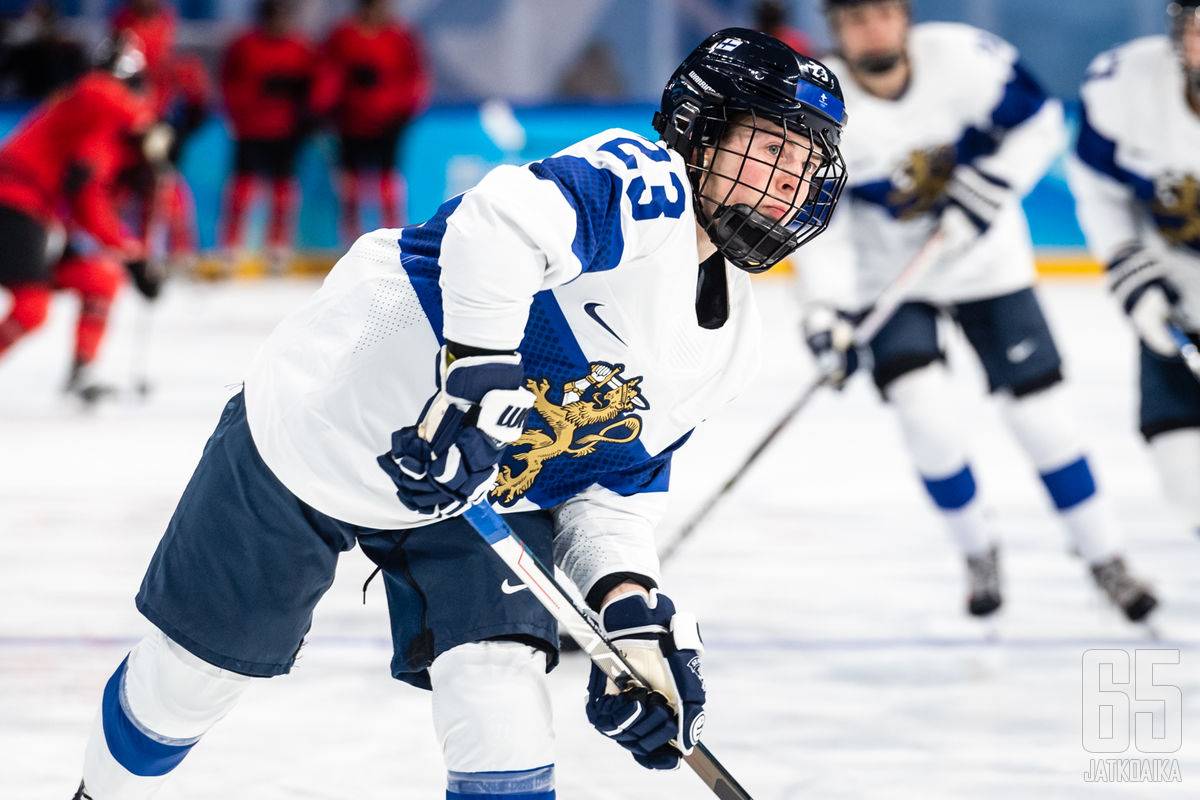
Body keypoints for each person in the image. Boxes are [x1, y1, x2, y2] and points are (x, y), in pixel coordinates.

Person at [69, 28, 848, 799]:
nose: (789, 182)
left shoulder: (732, 347)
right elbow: (499, 222)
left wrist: (632, 614)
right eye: (772, 148)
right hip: (330, 413)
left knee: (500, 692)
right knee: (188, 684)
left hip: (478, 486)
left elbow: (611, 489)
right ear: (701, 131)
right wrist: (475, 385)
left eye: (807, 165)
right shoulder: (645, 181)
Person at [795, 0, 1158, 621]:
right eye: (854, 19)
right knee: (926, 420)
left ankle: (1106, 557)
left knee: (1043, 421)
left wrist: (991, 185)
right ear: (836, 31)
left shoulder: (965, 59)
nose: (871, 28)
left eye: (881, 12)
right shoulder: (818, 108)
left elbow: (1040, 120)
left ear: (904, 16)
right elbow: (817, 218)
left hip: (988, 268)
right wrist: (825, 310)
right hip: (894, 283)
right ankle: (977, 550)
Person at [1066, 1, 1200, 538]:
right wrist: (1129, 269)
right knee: (1183, 474)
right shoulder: (1124, 86)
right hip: (1171, 302)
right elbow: (1099, 191)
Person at [0, 34, 155, 400]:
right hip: (13, 202)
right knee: (32, 308)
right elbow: (99, 90)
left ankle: (81, 372)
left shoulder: (93, 133)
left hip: (32, 213)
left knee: (99, 278)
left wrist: (129, 253)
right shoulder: (89, 99)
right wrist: (149, 126)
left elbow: (88, 204)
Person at [313, 0, 430, 241]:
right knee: (350, 185)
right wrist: (322, 107)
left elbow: (414, 75)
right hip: (351, 120)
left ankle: (393, 236)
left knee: (387, 180)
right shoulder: (343, 36)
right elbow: (329, 73)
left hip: (388, 120)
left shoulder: (399, 36)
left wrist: (407, 109)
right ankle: (351, 238)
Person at [218, 0, 315, 273]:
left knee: (283, 191)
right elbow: (230, 83)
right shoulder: (245, 46)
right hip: (252, 128)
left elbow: (317, 83)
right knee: (242, 190)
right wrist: (244, 109)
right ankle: (231, 247)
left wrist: (309, 110)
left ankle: (277, 248)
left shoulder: (300, 49)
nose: (278, 24)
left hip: (287, 130)